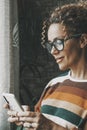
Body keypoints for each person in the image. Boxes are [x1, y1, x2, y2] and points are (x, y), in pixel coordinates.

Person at [4, 1, 87, 130]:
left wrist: (51, 126)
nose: (53, 51)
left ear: (82, 40)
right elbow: (39, 121)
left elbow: (47, 125)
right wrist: (28, 118)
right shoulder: (53, 84)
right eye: (50, 45)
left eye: (59, 42)